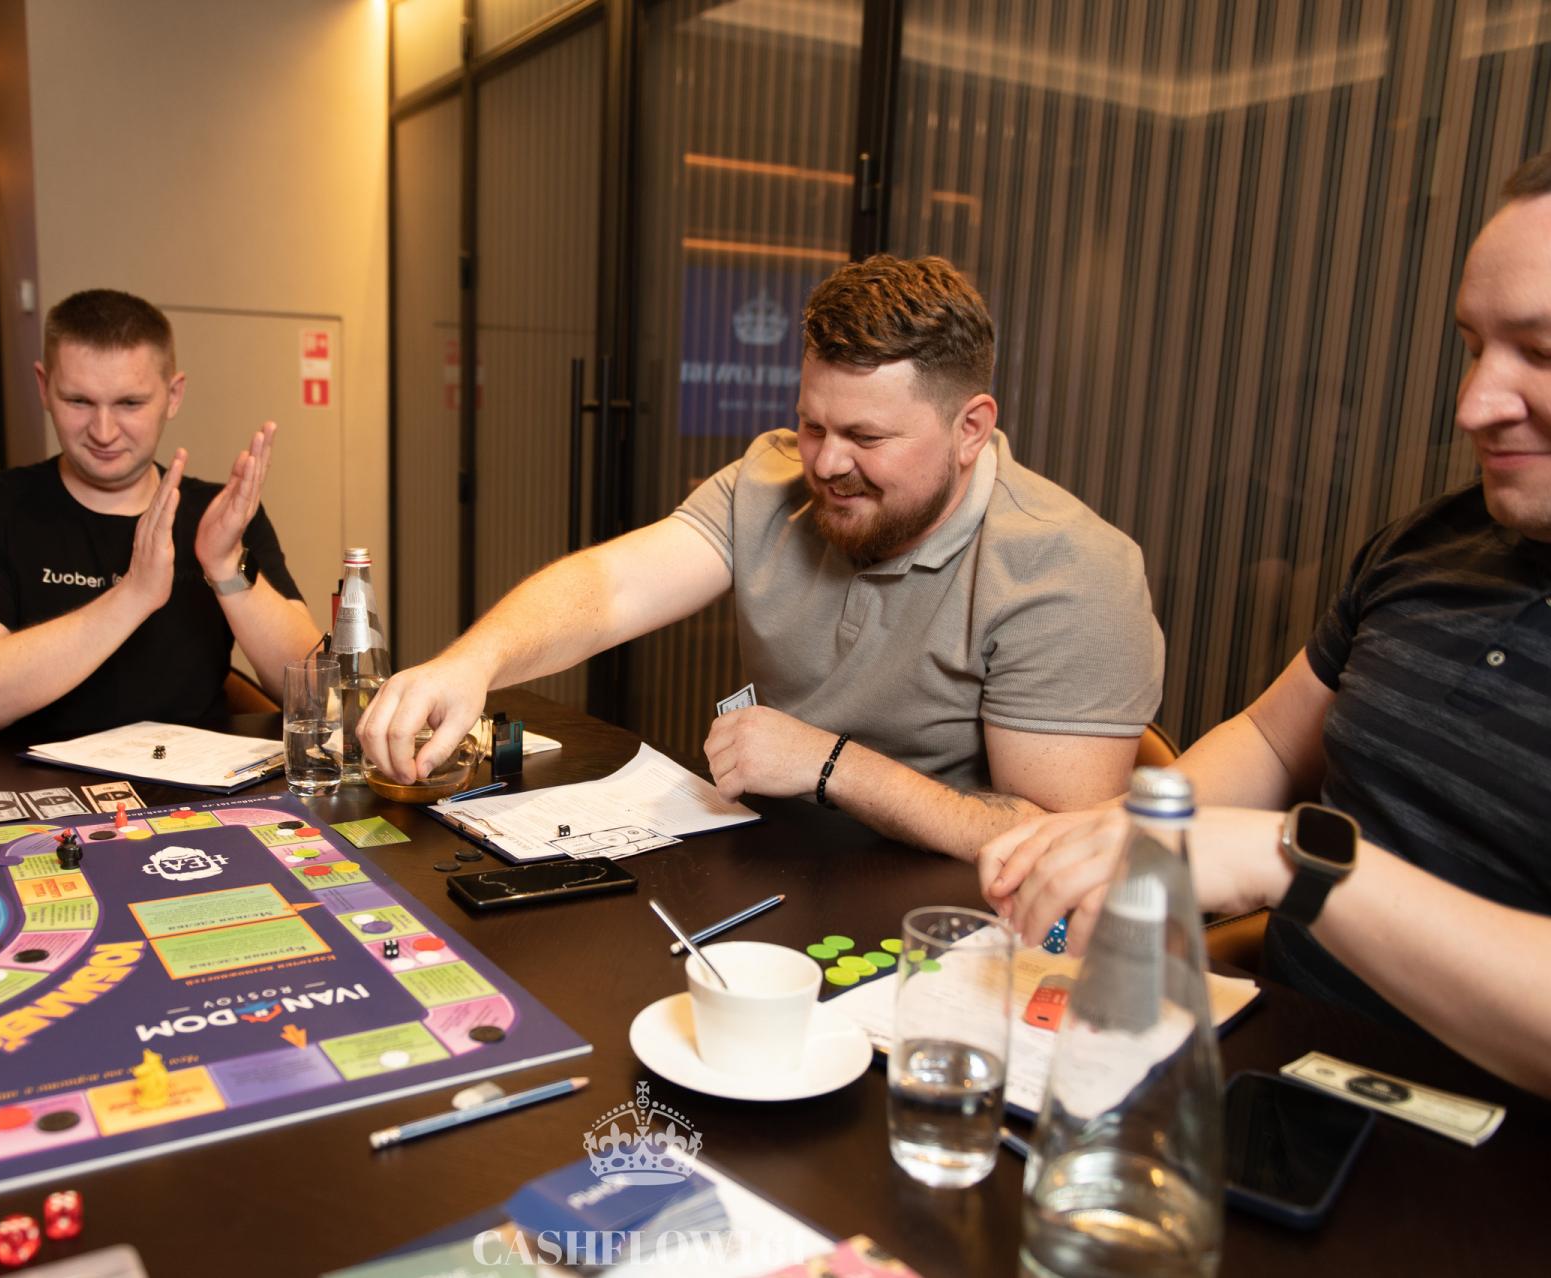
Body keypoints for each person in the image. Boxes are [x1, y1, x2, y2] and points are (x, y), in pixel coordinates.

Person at [979, 122, 1551, 1113]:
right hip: (1275, 1093)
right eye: (1474, 347)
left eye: (1546, 351)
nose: (1475, 403)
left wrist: (1296, 867)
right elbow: (1273, 739)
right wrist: (1127, 835)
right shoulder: (1431, 543)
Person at [360, 255, 1164, 859]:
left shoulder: (1072, 571)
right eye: (814, 424)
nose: (827, 463)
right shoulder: (770, 476)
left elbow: (1062, 842)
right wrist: (475, 662)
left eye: (867, 437)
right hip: (774, 859)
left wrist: (833, 766)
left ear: (971, 429)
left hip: (946, 917)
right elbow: (611, 588)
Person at [0, 289, 320, 742]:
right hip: (22, 784)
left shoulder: (220, 515)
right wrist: (133, 596)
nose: (104, 432)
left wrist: (226, 567)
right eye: (79, 402)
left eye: (129, 404)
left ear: (173, 395)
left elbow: (316, 696)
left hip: (193, 782)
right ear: (44, 387)